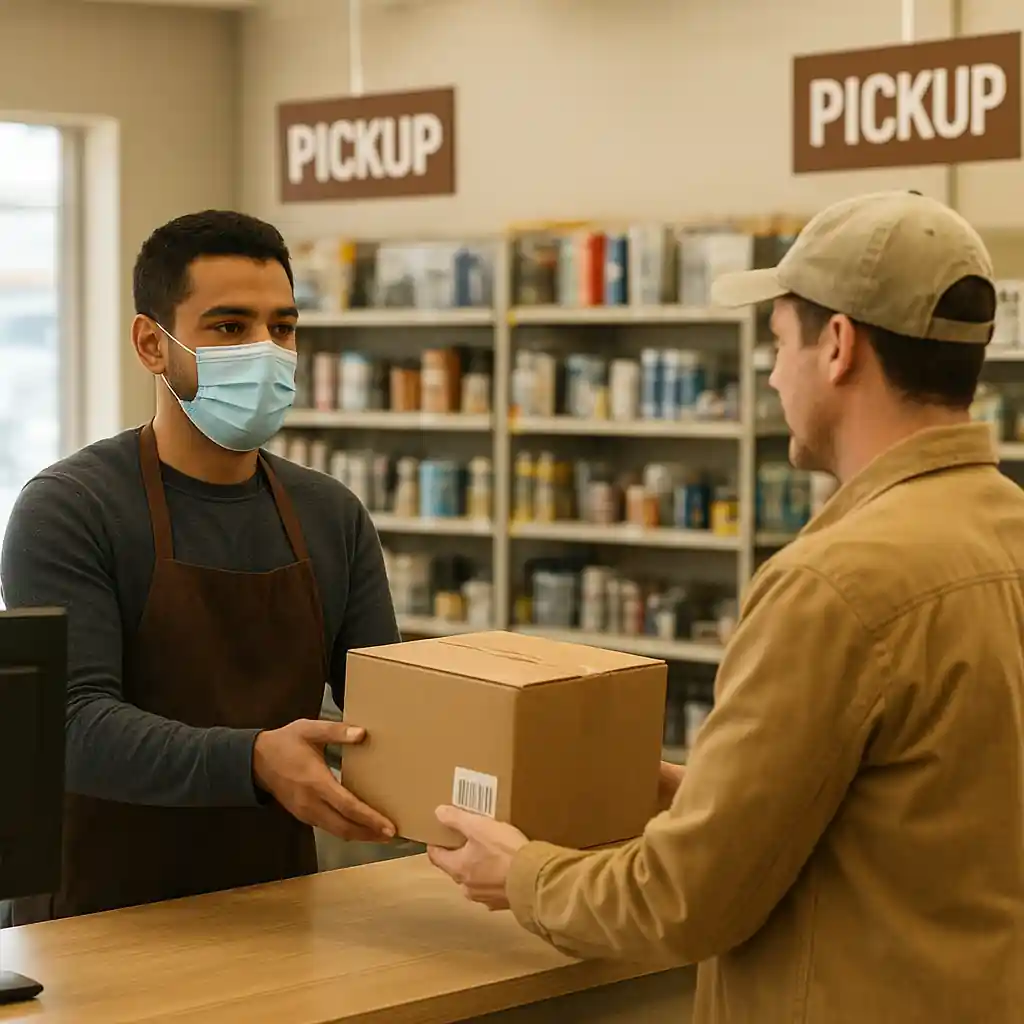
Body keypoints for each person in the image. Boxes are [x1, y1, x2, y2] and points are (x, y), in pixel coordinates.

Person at [427, 191, 1024, 1023]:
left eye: (779, 344)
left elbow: (684, 901)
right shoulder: (1005, 533)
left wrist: (523, 875)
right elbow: (927, 810)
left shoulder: (837, 583)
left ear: (840, 346)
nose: (774, 374)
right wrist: (708, 796)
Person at [0, 210, 401, 922]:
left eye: (282, 327)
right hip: (96, 915)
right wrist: (252, 759)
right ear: (152, 343)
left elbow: (392, 716)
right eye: (229, 327)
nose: (266, 350)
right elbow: (71, 724)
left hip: (275, 901)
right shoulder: (71, 508)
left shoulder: (331, 515)